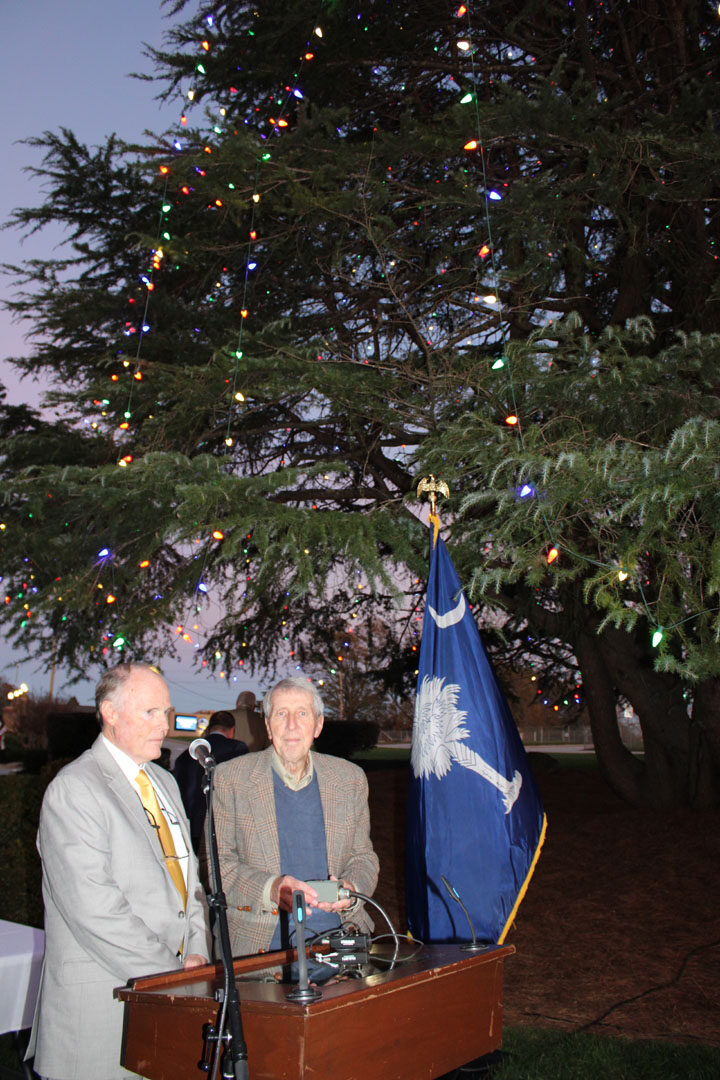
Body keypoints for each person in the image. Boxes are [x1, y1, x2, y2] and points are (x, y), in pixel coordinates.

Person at [28, 663, 210, 1080]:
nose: (163, 725)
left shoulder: (164, 783)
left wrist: (198, 953)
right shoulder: (74, 789)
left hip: (169, 1004)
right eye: (150, 712)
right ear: (109, 713)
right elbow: (95, 910)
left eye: (166, 712)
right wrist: (172, 974)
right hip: (100, 1015)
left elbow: (190, 883)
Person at [211, 677, 379, 959]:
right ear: (267, 726)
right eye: (281, 714)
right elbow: (219, 868)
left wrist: (352, 889)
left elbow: (364, 858)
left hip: (340, 945)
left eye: (302, 713)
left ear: (318, 725)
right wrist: (272, 889)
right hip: (258, 953)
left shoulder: (350, 780)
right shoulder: (230, 779)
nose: (292, 725)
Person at [173, 710, 248, 850]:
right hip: (224, 829)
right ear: (232, 729)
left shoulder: (186, 755)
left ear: (210, 727)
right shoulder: (237, 749)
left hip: (190, 826)